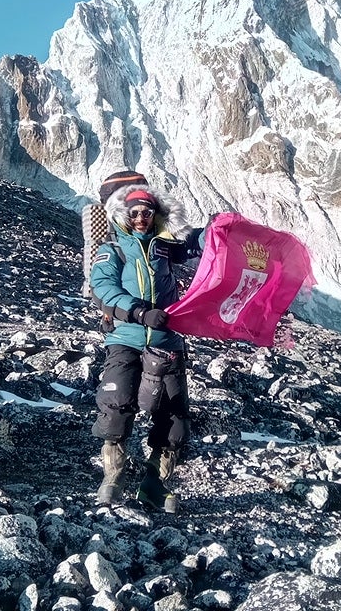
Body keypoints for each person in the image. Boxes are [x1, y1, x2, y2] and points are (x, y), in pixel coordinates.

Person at [89, 175, 205, 512]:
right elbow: (103, 289)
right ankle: (113, 475)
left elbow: (199, 245)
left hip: (166, 339)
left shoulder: (166, 247)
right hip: (125, 336)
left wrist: (214, 231)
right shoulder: (111, 250)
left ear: (156, 214)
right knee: (117, 401)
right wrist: (139, 313)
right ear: (124, 215)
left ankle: (155, 481)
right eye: (135, 212)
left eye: (147, 212)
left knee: (172, 413)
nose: (141, 218)